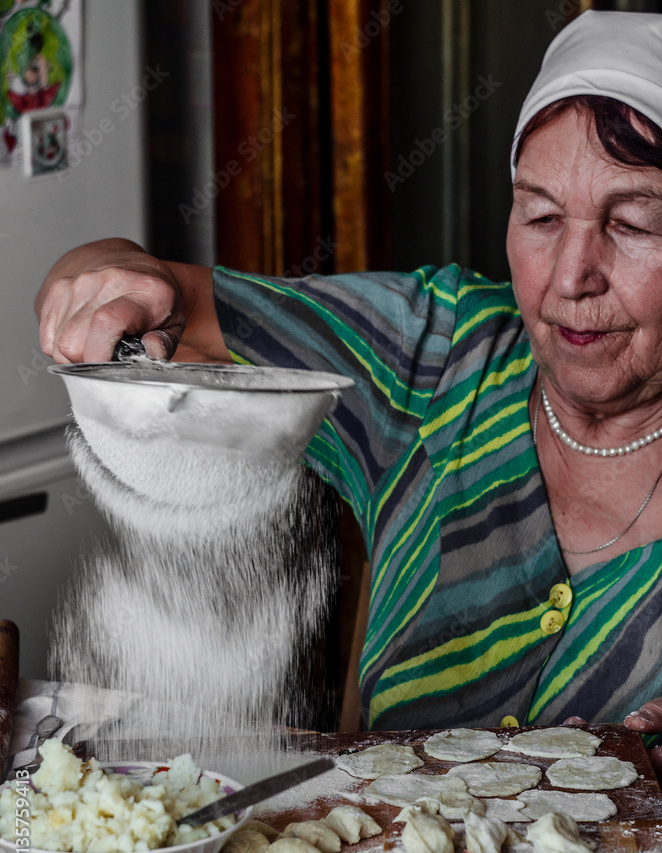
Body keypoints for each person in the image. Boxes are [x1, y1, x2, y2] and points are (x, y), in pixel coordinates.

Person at [35, 11, 662, 759]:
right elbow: (154, 288)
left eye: (633, 225)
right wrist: (97, 276)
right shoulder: (437, 354)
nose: (570, 277)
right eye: (541, 215)